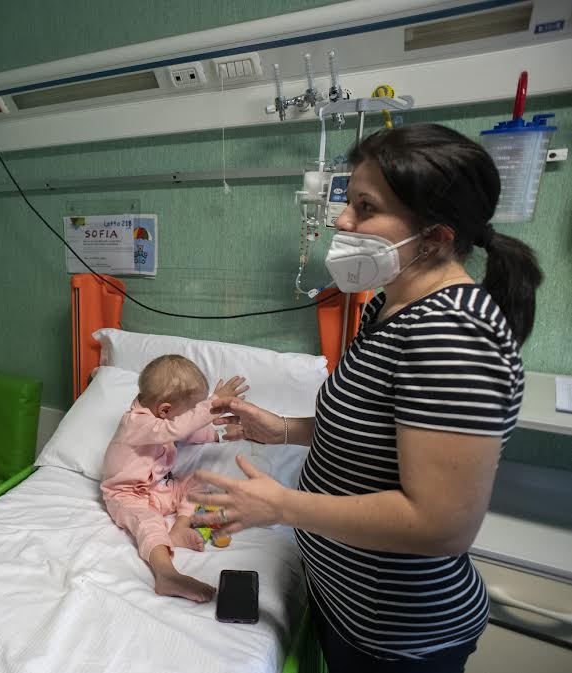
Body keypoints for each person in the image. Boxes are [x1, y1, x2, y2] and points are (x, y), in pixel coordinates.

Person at [191, 124, 543, 672]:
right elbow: (379, 427)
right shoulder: (389, 307)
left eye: (365, 207)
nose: (341, 220)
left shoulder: (452, 333)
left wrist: (280, 506)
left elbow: (441, 525)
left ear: (435, 237)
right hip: (347, 604)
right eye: (348, 200)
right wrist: (282, 428)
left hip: (397, 634)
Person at [101, 354, 247, 603]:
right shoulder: (136, 422)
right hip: (125, 494)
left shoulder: (162, 420)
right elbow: (177, 428)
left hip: (157, 489)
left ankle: (179, 528)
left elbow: (190, 433)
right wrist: (211, 404)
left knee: (196, 481)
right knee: (148, 522)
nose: (190, 418)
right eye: (189, 413)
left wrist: (223, 433)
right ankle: (166, 574)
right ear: (165, 410)